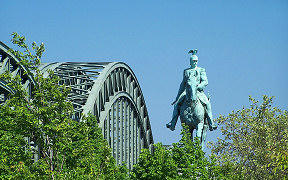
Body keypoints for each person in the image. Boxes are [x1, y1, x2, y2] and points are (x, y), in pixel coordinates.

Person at [166, 50, 217, 131]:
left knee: (207, 104)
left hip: (198, 92)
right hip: (187, 91)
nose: (195, 62)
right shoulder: (186, 71)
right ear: (190, 62)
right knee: (177, 105)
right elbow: (183, 84)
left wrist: (198, 86)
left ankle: (211, 123)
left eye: (196, 61)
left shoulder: (201, 70)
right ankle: (172, 123)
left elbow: (205, 81)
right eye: (193, 61)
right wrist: (177, 97)